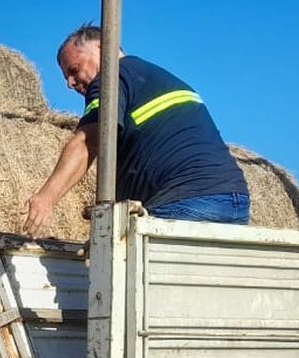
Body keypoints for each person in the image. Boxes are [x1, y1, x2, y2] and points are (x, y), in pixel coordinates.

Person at [22, 23, 250, 236]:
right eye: (66, 77)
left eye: (74, 69)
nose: (70, 83)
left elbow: (86, 142)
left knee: (124, 270)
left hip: (187, 201)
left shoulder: (111, 79)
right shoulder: (157, 77)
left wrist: (46, 199)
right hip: (233, 202)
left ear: (103, 48)